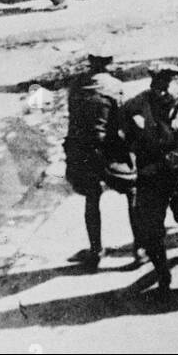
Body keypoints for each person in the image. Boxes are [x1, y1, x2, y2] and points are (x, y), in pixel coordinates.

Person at [120, 62, 178, 293]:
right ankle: (162, 274)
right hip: (151, 168)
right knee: (151, 224)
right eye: (154, 85)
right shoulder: (143, 100)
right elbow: (123, 115)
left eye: (164, 85)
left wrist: (163, 163)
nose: (158, 91)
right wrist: (134, 141)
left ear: (176, 83)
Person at [63, 42, 138, 270]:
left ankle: (95, 250)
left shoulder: (75, 85)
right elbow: (122, 120)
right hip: (108, 148)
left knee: (91, 196)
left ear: (90, 59)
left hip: (80, 151)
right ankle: (141, 248)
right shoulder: (115, 86)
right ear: (110, 61)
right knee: (132, 190)